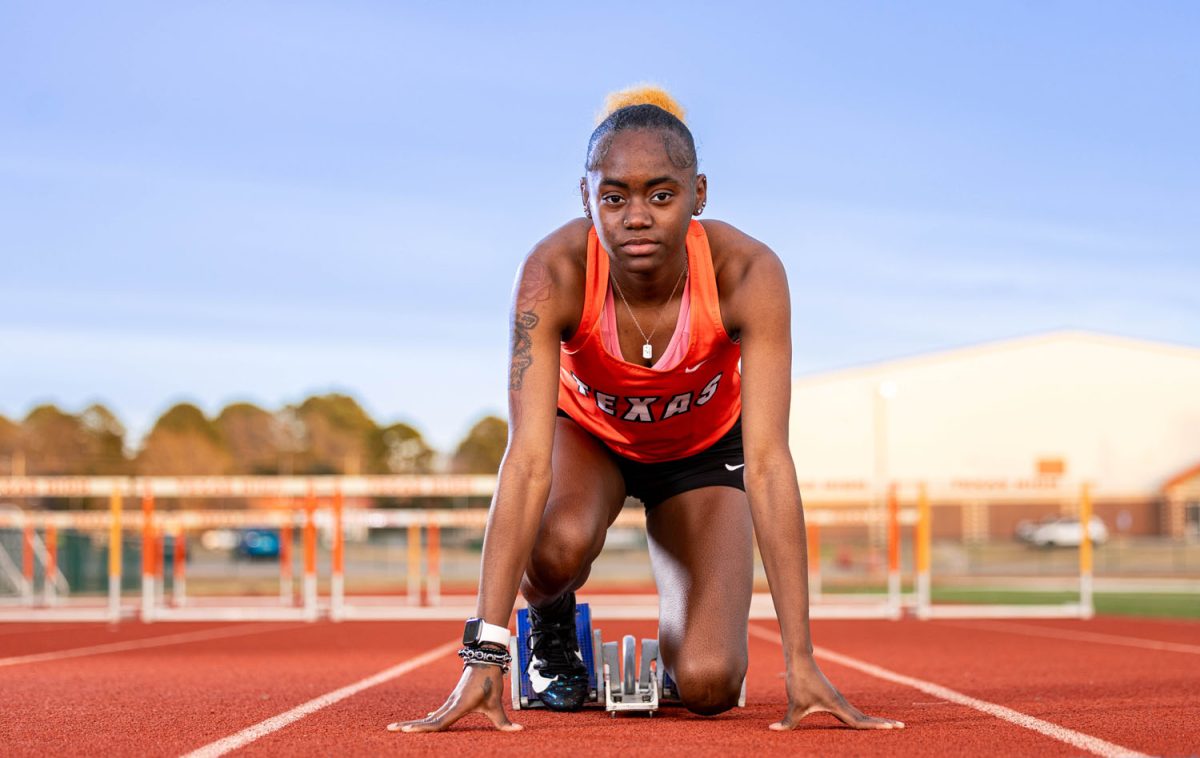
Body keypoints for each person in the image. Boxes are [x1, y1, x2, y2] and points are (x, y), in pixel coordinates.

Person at [391, 86, 903, 733]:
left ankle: (682, 650)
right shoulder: (553, 272)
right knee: (558, 543)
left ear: (699, 194)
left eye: (661, 195)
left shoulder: (748, 272)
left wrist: (801, 659)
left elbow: (769, 461)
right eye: (615, 196)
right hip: (590, 442)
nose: (637, 216)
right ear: (587, 198)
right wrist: (481, 656)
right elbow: (523, 466)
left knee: (711, 687)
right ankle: (551, 627)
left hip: (703, 457)